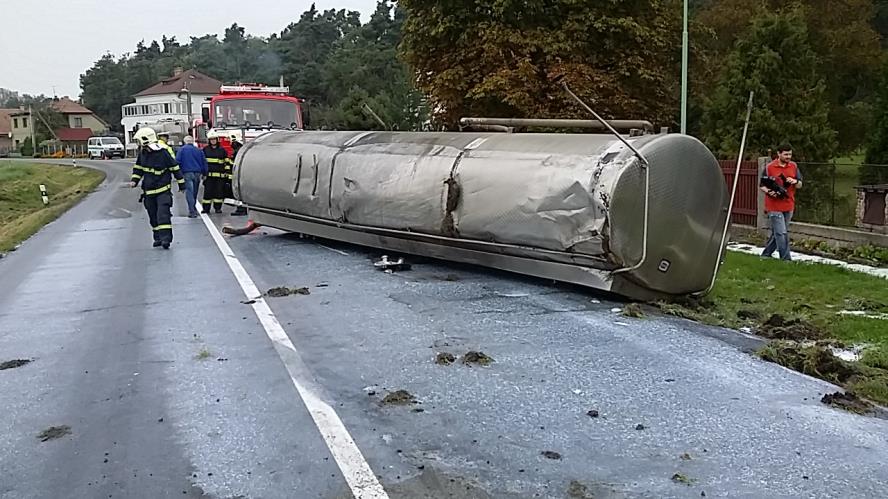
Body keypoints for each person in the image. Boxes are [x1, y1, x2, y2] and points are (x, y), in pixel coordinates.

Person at [130, 127, 185, 249]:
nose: (138, 144)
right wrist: (134, 181)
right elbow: (138, 169)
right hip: (149, 193)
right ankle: (158, 237)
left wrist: (182, 184)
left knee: (163, 215)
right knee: (153, 217)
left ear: (145, 140)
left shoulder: (163, 153)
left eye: (139, 141)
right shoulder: (142, 154)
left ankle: (166, 239)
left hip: (163, 191)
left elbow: (174, 168)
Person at [760, 143, 803, 261]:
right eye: (786, 154)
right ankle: (786, 259)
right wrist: (769, 191)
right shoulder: (769, 167)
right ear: (779, 154)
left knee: (777, 233)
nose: (788, 157)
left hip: (789, 204)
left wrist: (794, 181)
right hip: (773, 205)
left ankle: (766, 255)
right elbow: (762, 185)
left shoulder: (794, 166)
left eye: (790, 154)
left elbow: (800, 184)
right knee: (781, 233)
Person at [175, 135, 208, 218]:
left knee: (189, 192)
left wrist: (178, 174)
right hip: (197, 173)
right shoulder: (198, 150)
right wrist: (205, 173)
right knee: (194, 192)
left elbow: (177, 161)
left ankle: (192, 211)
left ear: (184, 141)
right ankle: (194, 208)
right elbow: (204, 162)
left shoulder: (181, 150)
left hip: (187, 173)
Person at [201, 131, 229, 214]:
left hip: (220, 176)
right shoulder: (205, 150)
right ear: (209, 141)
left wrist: (226, 172)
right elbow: (203, 162)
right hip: (209, 176)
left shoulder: (222, 150)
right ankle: (206, 209)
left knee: (219, 193)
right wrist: (203, 173)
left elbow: (226, 162)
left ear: (217, 140)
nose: (213, 141)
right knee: (207, 193)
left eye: (214, 139)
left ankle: (218, 208)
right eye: (211, 140)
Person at [228, 131, 248, 216]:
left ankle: (240, 209)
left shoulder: (237, 152)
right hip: (242, 175)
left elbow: (233, 165)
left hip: (238, 176)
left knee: (238, 192)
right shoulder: (242, 150)